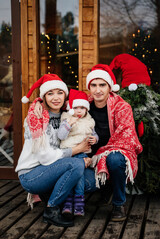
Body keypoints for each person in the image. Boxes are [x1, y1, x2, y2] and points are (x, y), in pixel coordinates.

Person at [34, 64, 143, 222]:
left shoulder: (121, 107)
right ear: (89, 87)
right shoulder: (84, 104)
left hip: (109, 153)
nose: (98, 90)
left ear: (110, 87)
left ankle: (119, 203)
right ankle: (70, 201)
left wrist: (99, 155)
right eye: (94, 85)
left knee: (115, 159)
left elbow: (126, 138)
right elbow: (56, 102)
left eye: (102, 85)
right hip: (84, 156)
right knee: (73, 175)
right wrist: (38, 102)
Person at [15, 74, 91, 227]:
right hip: (32, 174)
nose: (55, 97)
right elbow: (45, 156)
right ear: (44, 96)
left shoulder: (66, 115)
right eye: (50, 93)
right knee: (76, 166)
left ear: (65, 95)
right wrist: (77, 150)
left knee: (90, 181)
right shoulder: (36, 117)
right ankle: (52, 209)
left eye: (60, 92)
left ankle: (49, 195)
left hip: (53, 168)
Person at [58, 89, 99, 217]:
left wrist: (95, 139)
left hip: (82, 154)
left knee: (78, 175)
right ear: (70, 108)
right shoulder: (66, 119)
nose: (79, 111)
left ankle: (77, 201)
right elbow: (61, 136)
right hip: (69, 153)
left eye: (82, 108)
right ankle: (71, 202)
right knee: (74, 175)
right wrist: (68, 124)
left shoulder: (89, 121)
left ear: (87, 109)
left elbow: (94, 134)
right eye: (76, 108)